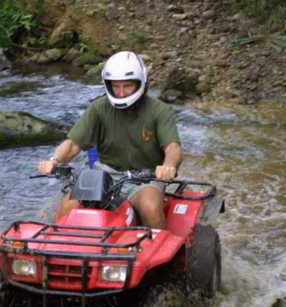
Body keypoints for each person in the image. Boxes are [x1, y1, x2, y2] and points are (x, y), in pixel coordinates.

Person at [38, 51, 183, 228]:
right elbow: (73, 144)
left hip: (145, 179)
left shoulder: (160, 111)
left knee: (150, 207)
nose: (121, 93)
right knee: (68, 206)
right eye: (116, 86)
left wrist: (169, 166)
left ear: (141, 83)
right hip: (104, 174)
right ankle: (58, 248)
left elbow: (172, 147)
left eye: (128, 86)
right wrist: (55, 160)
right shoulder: (98, 108)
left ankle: (160, 251)